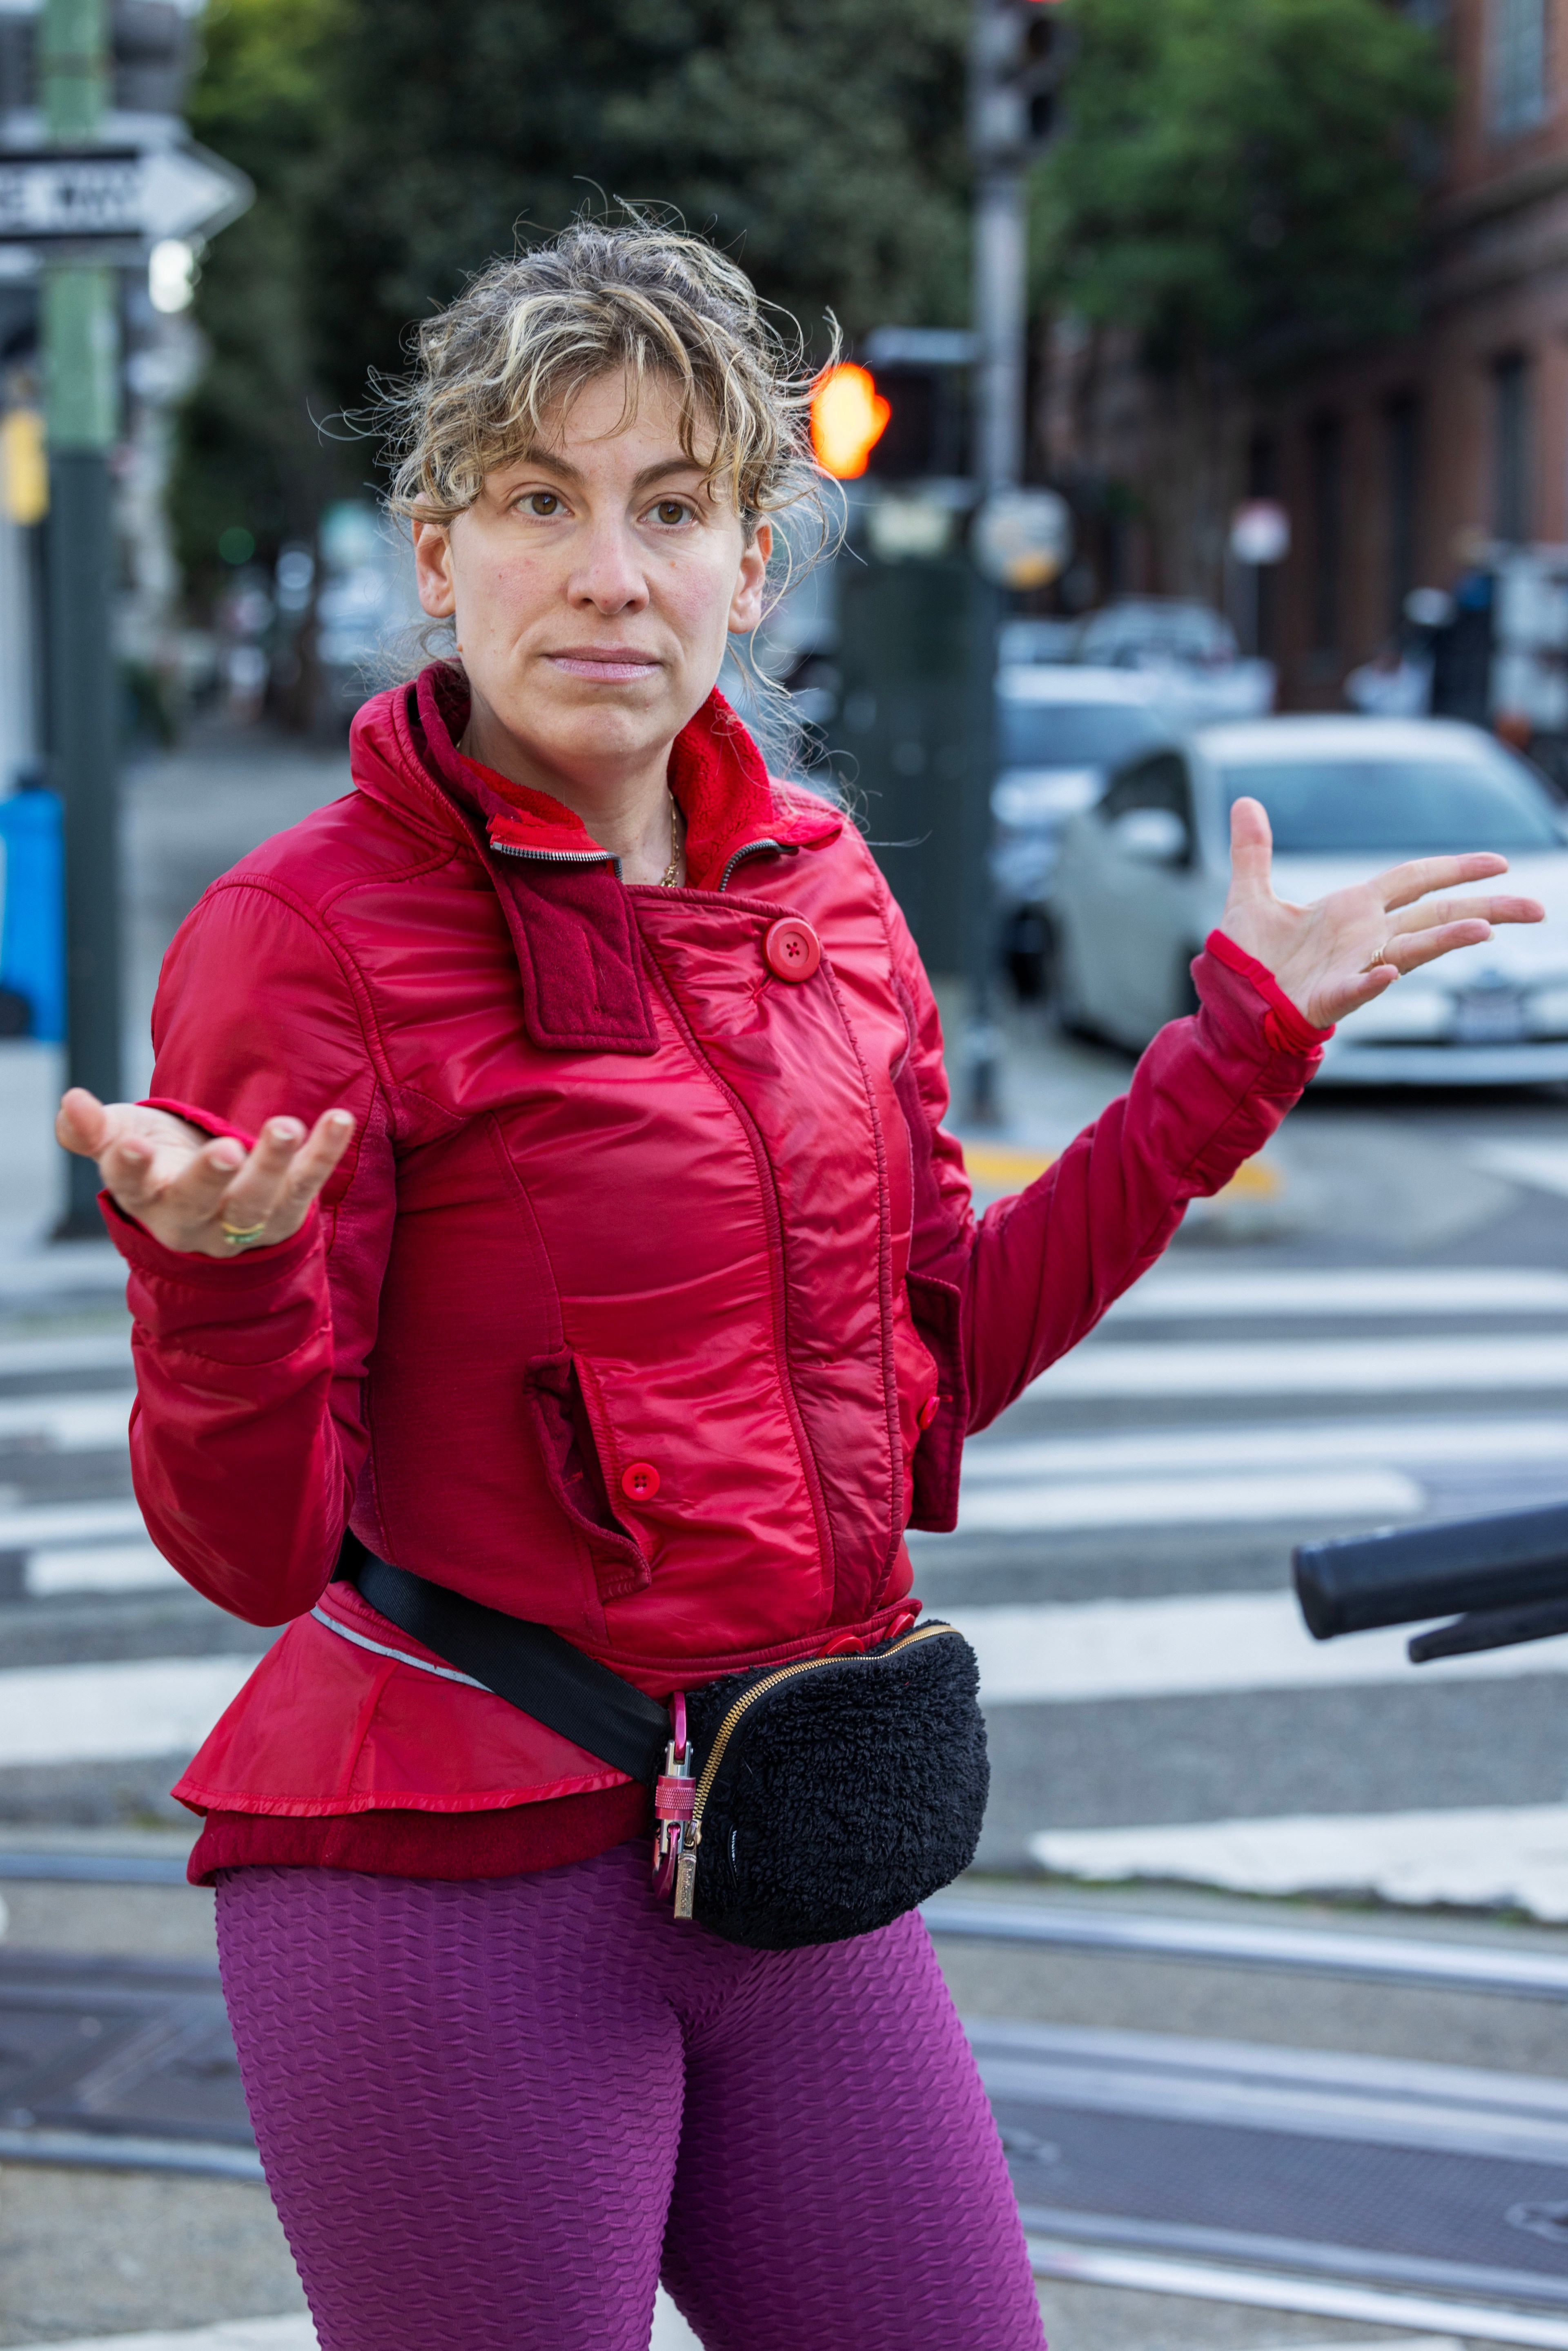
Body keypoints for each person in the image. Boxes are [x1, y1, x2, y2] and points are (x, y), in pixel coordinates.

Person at [58, 219, 1543, 2351]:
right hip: (439, 1882)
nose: (608, 575)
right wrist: (215, 1293)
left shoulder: (825, 892)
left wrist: (1224, 1065)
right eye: (539, 504)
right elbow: (249, 1548)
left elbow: (932, 1379)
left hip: (779, 1833)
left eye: (673, 511)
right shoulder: (304, 939)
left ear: (753, 565)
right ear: (435, 550)